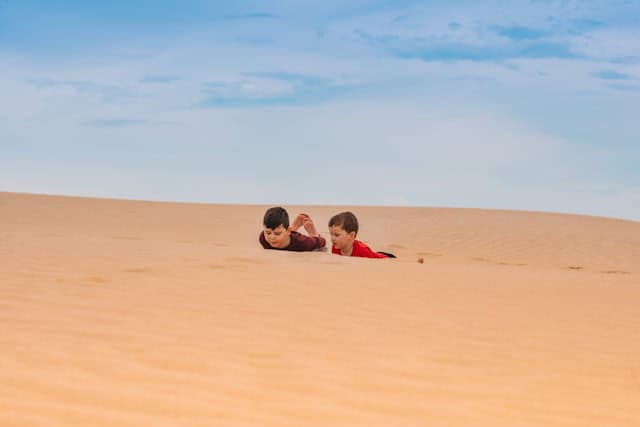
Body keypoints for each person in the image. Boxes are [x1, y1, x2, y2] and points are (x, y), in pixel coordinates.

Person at [328, 211, 395, 259]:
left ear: (351, 235)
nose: (332, 238)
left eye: (337, 235)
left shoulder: (363, 251)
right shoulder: (335, 248)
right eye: (331, 234)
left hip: (385, 258)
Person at [259, 206, 326, 251]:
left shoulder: (302, 243)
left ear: (288, 231)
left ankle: (313, 233)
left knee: (316, 245)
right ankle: (294, 226)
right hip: (287, 233)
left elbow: (323, 242)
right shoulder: (263, 239)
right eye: (268, 233)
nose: (272, 237)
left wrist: (314, 235)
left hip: (295, 239)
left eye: (277, 234)